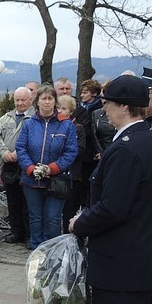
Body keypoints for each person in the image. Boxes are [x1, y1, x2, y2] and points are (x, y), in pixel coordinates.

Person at [61, 75, 152, 304]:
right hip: (138, 253)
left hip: (123, 258)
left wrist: (80, 223)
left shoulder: (128, 146)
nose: (104, 109)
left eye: (108, 104)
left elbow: (113, 207)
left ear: (123, 106)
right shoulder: (144, 138)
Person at [15, 84, 78, 249]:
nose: (47, 102)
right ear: (37, 102)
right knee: (35, 218)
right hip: (31, 180)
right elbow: (21, 148)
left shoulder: (66, 125)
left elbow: (71, 152)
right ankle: (37, 252)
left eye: (50, 98)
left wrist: (52, 168)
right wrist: (30, 168)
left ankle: (53, 252)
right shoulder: (29, 124)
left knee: (52, 218)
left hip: (57, 180)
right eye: (44, 98)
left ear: (55, 102)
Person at [0, 86, 34, 244]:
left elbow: (36, 140)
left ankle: (30, 235)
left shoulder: (35, 118)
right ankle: (16, 232)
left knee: (28, 203)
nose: (20, 103)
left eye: (23, 100)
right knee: (13, 201)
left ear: (30, 100)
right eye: (17, 100)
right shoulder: (6, 117)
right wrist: (4, 153)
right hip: (9, 168)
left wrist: (18, 153)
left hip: (27, 167)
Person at [56, 95, 86, 233]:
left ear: (71, 111)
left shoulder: (77, 128)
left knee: (69, 209)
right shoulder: (54, 126)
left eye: (64, 108)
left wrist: (63, 155)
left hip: (73, 175)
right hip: (57, 174)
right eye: (58, 108)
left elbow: (79, 150)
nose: (60, 111)